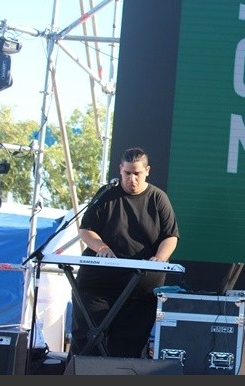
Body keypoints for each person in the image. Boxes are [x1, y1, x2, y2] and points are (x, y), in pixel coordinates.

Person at [68, 147, 180, 359]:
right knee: (88, 340)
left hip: (140, 290)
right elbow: (86, 230)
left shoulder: (158, 199)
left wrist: (160, 259)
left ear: (147, 171)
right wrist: (102, 247)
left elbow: (170, 236)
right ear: (120, 170)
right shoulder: (106, 194)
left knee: (127, 348)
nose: (131, 179)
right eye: (127, 173)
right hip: (98, 286)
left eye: (136, 173)